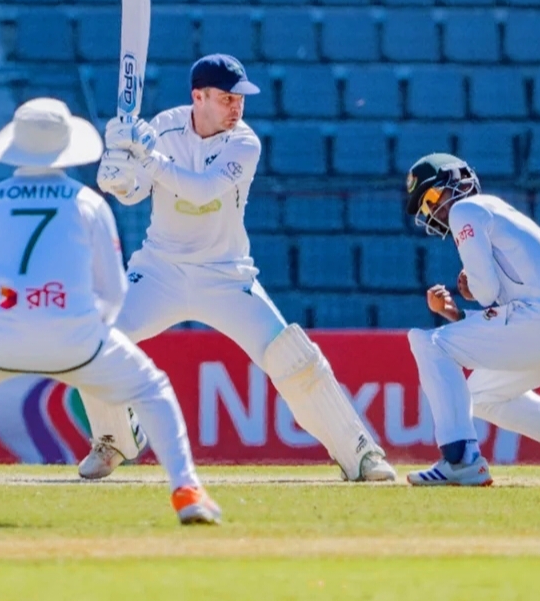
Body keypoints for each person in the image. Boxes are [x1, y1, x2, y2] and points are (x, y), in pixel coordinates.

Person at [0, 98, 222, 526]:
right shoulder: (88, 203)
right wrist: (90, 335)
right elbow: (113, 291)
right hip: (77, 340)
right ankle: (187, 492)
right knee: (153, 390)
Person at [84, 54, 396, 483]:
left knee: (293, 357)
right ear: (199, 96)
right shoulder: (163, 128)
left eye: (240, 99)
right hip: (161, 269)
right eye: (228, 98)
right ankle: (114, 438)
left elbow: (202, 191)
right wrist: (117, 173)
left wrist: (149, 159)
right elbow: (135, 192)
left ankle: (360, 454)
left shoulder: (244, 142)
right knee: (96, 342)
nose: (238, 107)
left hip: (225, 274)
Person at [401, 153, 540, 487]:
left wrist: (474, 288)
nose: (435, 211)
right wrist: (456, 314)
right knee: (480, 395)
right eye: (426, 207)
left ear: (459, 181)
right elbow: (507, 313)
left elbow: (487, 291)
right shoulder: (500, 214)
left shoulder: (468, 209)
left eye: (435, 197)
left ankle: (461, 460)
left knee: (427, 342)